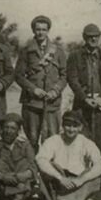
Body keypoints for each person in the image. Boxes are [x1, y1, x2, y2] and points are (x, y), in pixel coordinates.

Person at [36, 110, 101, 200]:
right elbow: (40, 159)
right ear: (62, 126)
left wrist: (82, 179)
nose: (71, 129)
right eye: (68, 125)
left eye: (75, 126)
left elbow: (100, 163)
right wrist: (60, 178)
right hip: (59, 181)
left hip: (78, 183)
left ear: (80, 127)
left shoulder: (86, 142)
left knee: (96, 177)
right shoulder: (54, 140)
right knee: (47, 170)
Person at [16, 15, 67, 151]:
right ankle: (32, 169)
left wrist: (55, 91)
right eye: (37, 29)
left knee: (52, 139)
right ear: (33, 30)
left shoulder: (58, 51)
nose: (40, 32)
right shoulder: (26, 51)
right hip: (32, 103)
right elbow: (19, 76)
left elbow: (64, 75)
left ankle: (49, 169)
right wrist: (33, 89)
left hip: (52, 103)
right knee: (31, 139)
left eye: (44, 29)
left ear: (48, 31)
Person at [66, 23, 101, 152]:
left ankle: (100, 169)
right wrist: (84, 98)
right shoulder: (75, 56)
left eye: (96, 36)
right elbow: (72, 79)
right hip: (82, 103)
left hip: (100, 104)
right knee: (81, 137)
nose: (93, 39)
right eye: (90, 36)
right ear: (84, 37)